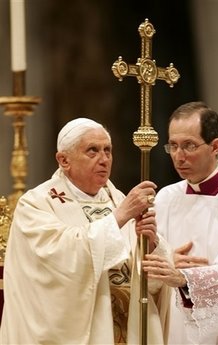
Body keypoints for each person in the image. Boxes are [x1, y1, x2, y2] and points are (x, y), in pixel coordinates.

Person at [0, 117, 172, 345]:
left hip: (128, 330)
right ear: (64, 160)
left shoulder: (118, 200)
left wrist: (149, 246)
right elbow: (59, 262)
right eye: (93, 151)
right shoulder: (36, 204)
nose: (104, 159)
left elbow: (151, 280)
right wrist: (120, 217)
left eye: (107, 151)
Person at [142, 101, 218, 345]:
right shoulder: (166, 199)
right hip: (177, 323)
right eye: (174, 146)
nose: (179, 156)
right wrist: (166, 263)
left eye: (189, 146)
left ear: (215, 146)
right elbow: (149, 261)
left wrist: (184, 279)